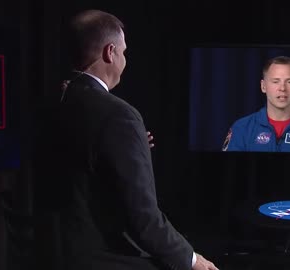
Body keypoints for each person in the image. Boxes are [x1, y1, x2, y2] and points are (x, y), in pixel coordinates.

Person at [32, 9, 218, 270]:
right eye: (124, 52)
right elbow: (143, 218)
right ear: (110, 52)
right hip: (101, 259)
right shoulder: (119, 116)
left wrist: (131, 144)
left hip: (49, 252)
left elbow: (79, 165)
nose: (125, 60)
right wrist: (192, 260)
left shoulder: (53, 102)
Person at [222, 56, 290, 152]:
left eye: (289, 82)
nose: (282, 88)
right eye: (276, 81)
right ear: (263, 86)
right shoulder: (242, 128)